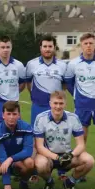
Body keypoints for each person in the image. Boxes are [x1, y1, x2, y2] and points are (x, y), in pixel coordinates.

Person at [64, 33, 95, 184]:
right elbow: (69, 82)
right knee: (82, 140)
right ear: (81, 45)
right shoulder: (73, 64)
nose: (88, 46)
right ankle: (82, 172)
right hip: (82, 106)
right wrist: (78, 96)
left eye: (91, 43)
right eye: (85, 43)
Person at [33, 91, 95, 189]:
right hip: (49, 156)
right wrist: (57, 157)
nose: (58, 106)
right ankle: (49, 181)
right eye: (55, 103)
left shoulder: (73, 118)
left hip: (67, 155)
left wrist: (71, 155)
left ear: (65, 104)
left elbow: (81, 144)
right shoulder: (41, 118)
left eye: (61, 103)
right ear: (50, 104)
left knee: (89, 161)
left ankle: (70, 182)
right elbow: (39, 147)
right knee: (40, 164)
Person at [25, 35, 68, 178]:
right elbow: (28, 85)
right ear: (40, 48)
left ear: (54, 48)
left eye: (50, 46)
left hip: (56, 108)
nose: (47, 49)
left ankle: (62, 170)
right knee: (37, 138)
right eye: (45, 46)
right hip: (38, 106)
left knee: (59, 136)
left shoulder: (62, 65)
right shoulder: (31, 64)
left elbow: (64, 87)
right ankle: (36, 171)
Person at [0, 101, 34, 189]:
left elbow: (28, 151)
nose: (11, 117)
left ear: (19, 115)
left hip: (17, 159)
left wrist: (11, 159)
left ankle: (23, 183)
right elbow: (2, 157)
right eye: (8, 114)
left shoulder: (26, 127)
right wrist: (7, 185)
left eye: (14, 114)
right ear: (3, 115)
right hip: (0, 159)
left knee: (30, 162)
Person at [0, 35, 26, 131]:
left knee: (15, 132)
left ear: (11, 47)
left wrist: (13, 94)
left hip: (13, 104)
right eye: (2, 47)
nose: (5, 50)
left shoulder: (18, 65)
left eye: (8, 47)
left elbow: (22, 84)